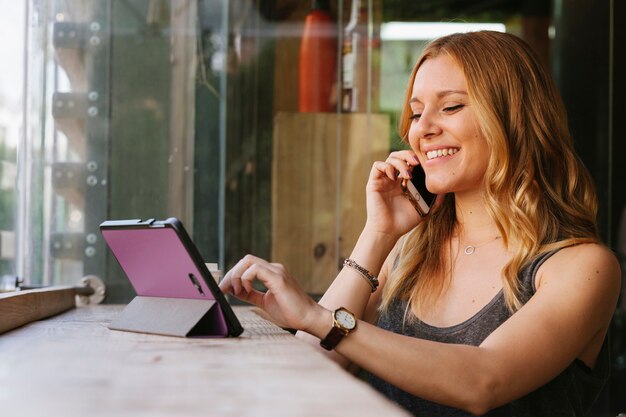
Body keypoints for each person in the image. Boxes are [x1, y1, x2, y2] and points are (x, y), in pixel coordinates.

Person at [219, 31, 621, 416]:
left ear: (514, 119)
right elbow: (314, 361)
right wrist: (379, 234)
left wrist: (319, 317)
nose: (422, 129)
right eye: (415, 112)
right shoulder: (409, 250)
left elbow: (483, 382)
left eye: (451, 107)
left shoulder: (582, 267)